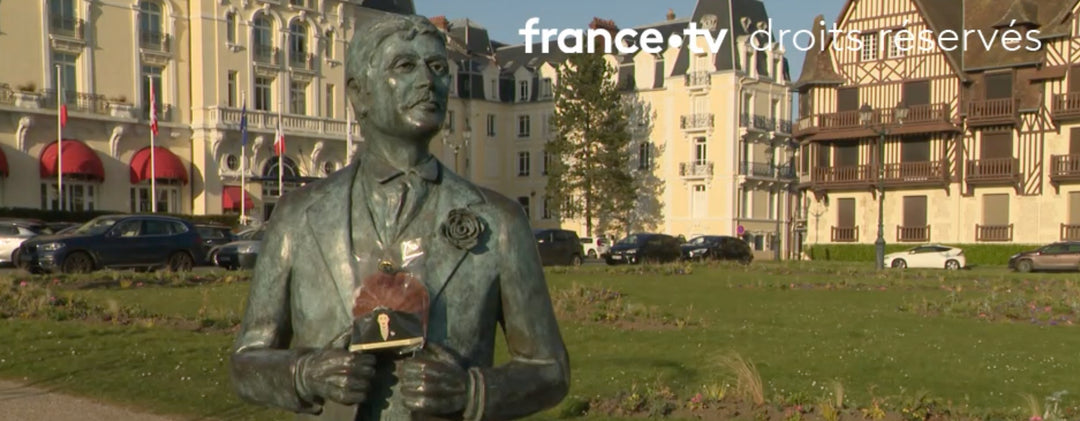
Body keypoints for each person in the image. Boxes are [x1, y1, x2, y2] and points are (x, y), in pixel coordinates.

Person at [228, 13, 570, 421]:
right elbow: (246, 361)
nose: (429, 81)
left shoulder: (500, 221)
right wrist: (304, 374)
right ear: (360, 94)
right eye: (405, 66)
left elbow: (550, 370)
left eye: (438, 67)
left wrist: (472, 391)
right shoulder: (298, 216)